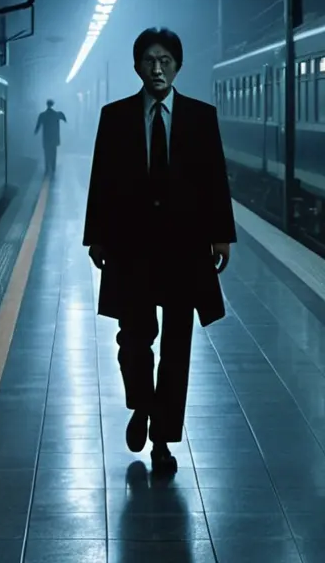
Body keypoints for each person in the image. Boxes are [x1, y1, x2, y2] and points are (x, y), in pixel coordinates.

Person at [83, 27, 236, 473]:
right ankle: (141, 406)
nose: (157, 68)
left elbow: (215, 181)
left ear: (177, 66)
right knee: (133, 340)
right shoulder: (115, 117)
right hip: (132, 250)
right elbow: (101, 181)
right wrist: (97, 237)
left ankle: (163, 440)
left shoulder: (201, 117)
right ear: (137, 66)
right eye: (149, 60)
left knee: (177, 347)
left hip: (184, 251)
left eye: (165, 60)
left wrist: (221, 235)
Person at [34, 99, 66, 175]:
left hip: (46, 137)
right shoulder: (57, 114)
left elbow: (38, 125)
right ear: (53, 105)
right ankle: (53, 167)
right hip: (54, 138)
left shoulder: (42, 115)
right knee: (53, 153)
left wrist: (36, 131)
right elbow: (64, 118)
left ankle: (47, 168)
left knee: (46, 153)